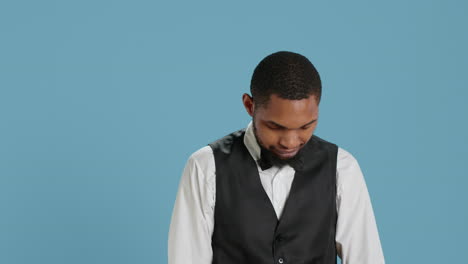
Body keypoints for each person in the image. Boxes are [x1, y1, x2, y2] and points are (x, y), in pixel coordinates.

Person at [168, 51, 385, 264]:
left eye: (305, 126)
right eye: (275, 127)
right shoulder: (206, 167)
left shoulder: (342, 168)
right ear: (249, 106)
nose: (290, 142)